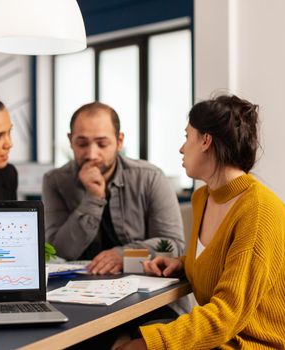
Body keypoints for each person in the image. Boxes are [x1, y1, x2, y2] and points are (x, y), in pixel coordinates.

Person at [117, 95, 285, 349]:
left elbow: (226, 313)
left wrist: (150, 344)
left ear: (205, 140)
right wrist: (182, 264)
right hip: (229, 334)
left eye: (186, 136)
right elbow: (222, 261)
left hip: (266, 342)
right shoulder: (203, 197)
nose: (181, 148)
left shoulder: (259, 210)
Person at [42, 102, 184, 275]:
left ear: (119, 142)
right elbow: (58, 253)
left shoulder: (150, 177)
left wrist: (123, 254)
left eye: (102, 144)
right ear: (70, 141)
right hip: (81, 289)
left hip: (149, 287)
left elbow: (174, 245)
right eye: (82, 144)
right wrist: (92, 199)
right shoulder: (54, 181)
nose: (91, 154)